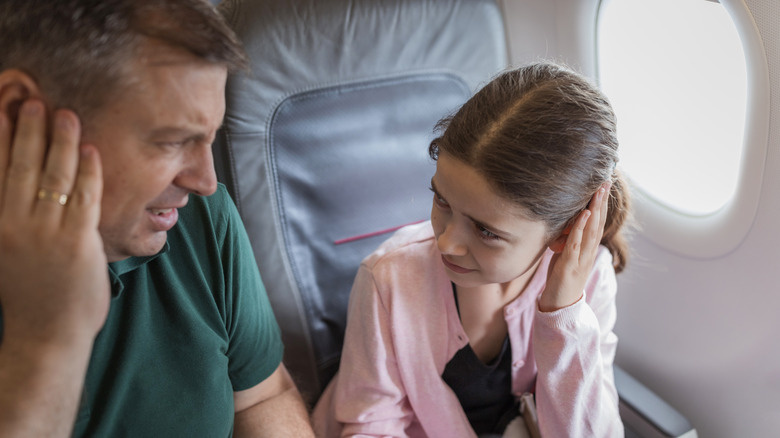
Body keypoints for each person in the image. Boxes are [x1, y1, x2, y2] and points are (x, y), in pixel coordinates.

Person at [0, 1, 315, 437]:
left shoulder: (201, 218)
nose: (205, 181)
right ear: (19, 113)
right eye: (171, 141)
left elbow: (262, 395)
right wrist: (47, 344)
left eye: (209, 138)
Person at [312, 62, 631, 437]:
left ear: (562, 235)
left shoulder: (589, 277)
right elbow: (373, 426)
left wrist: (564, 315)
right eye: (441, 199)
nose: (446, 242)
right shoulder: (389, 279)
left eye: (485, 230)